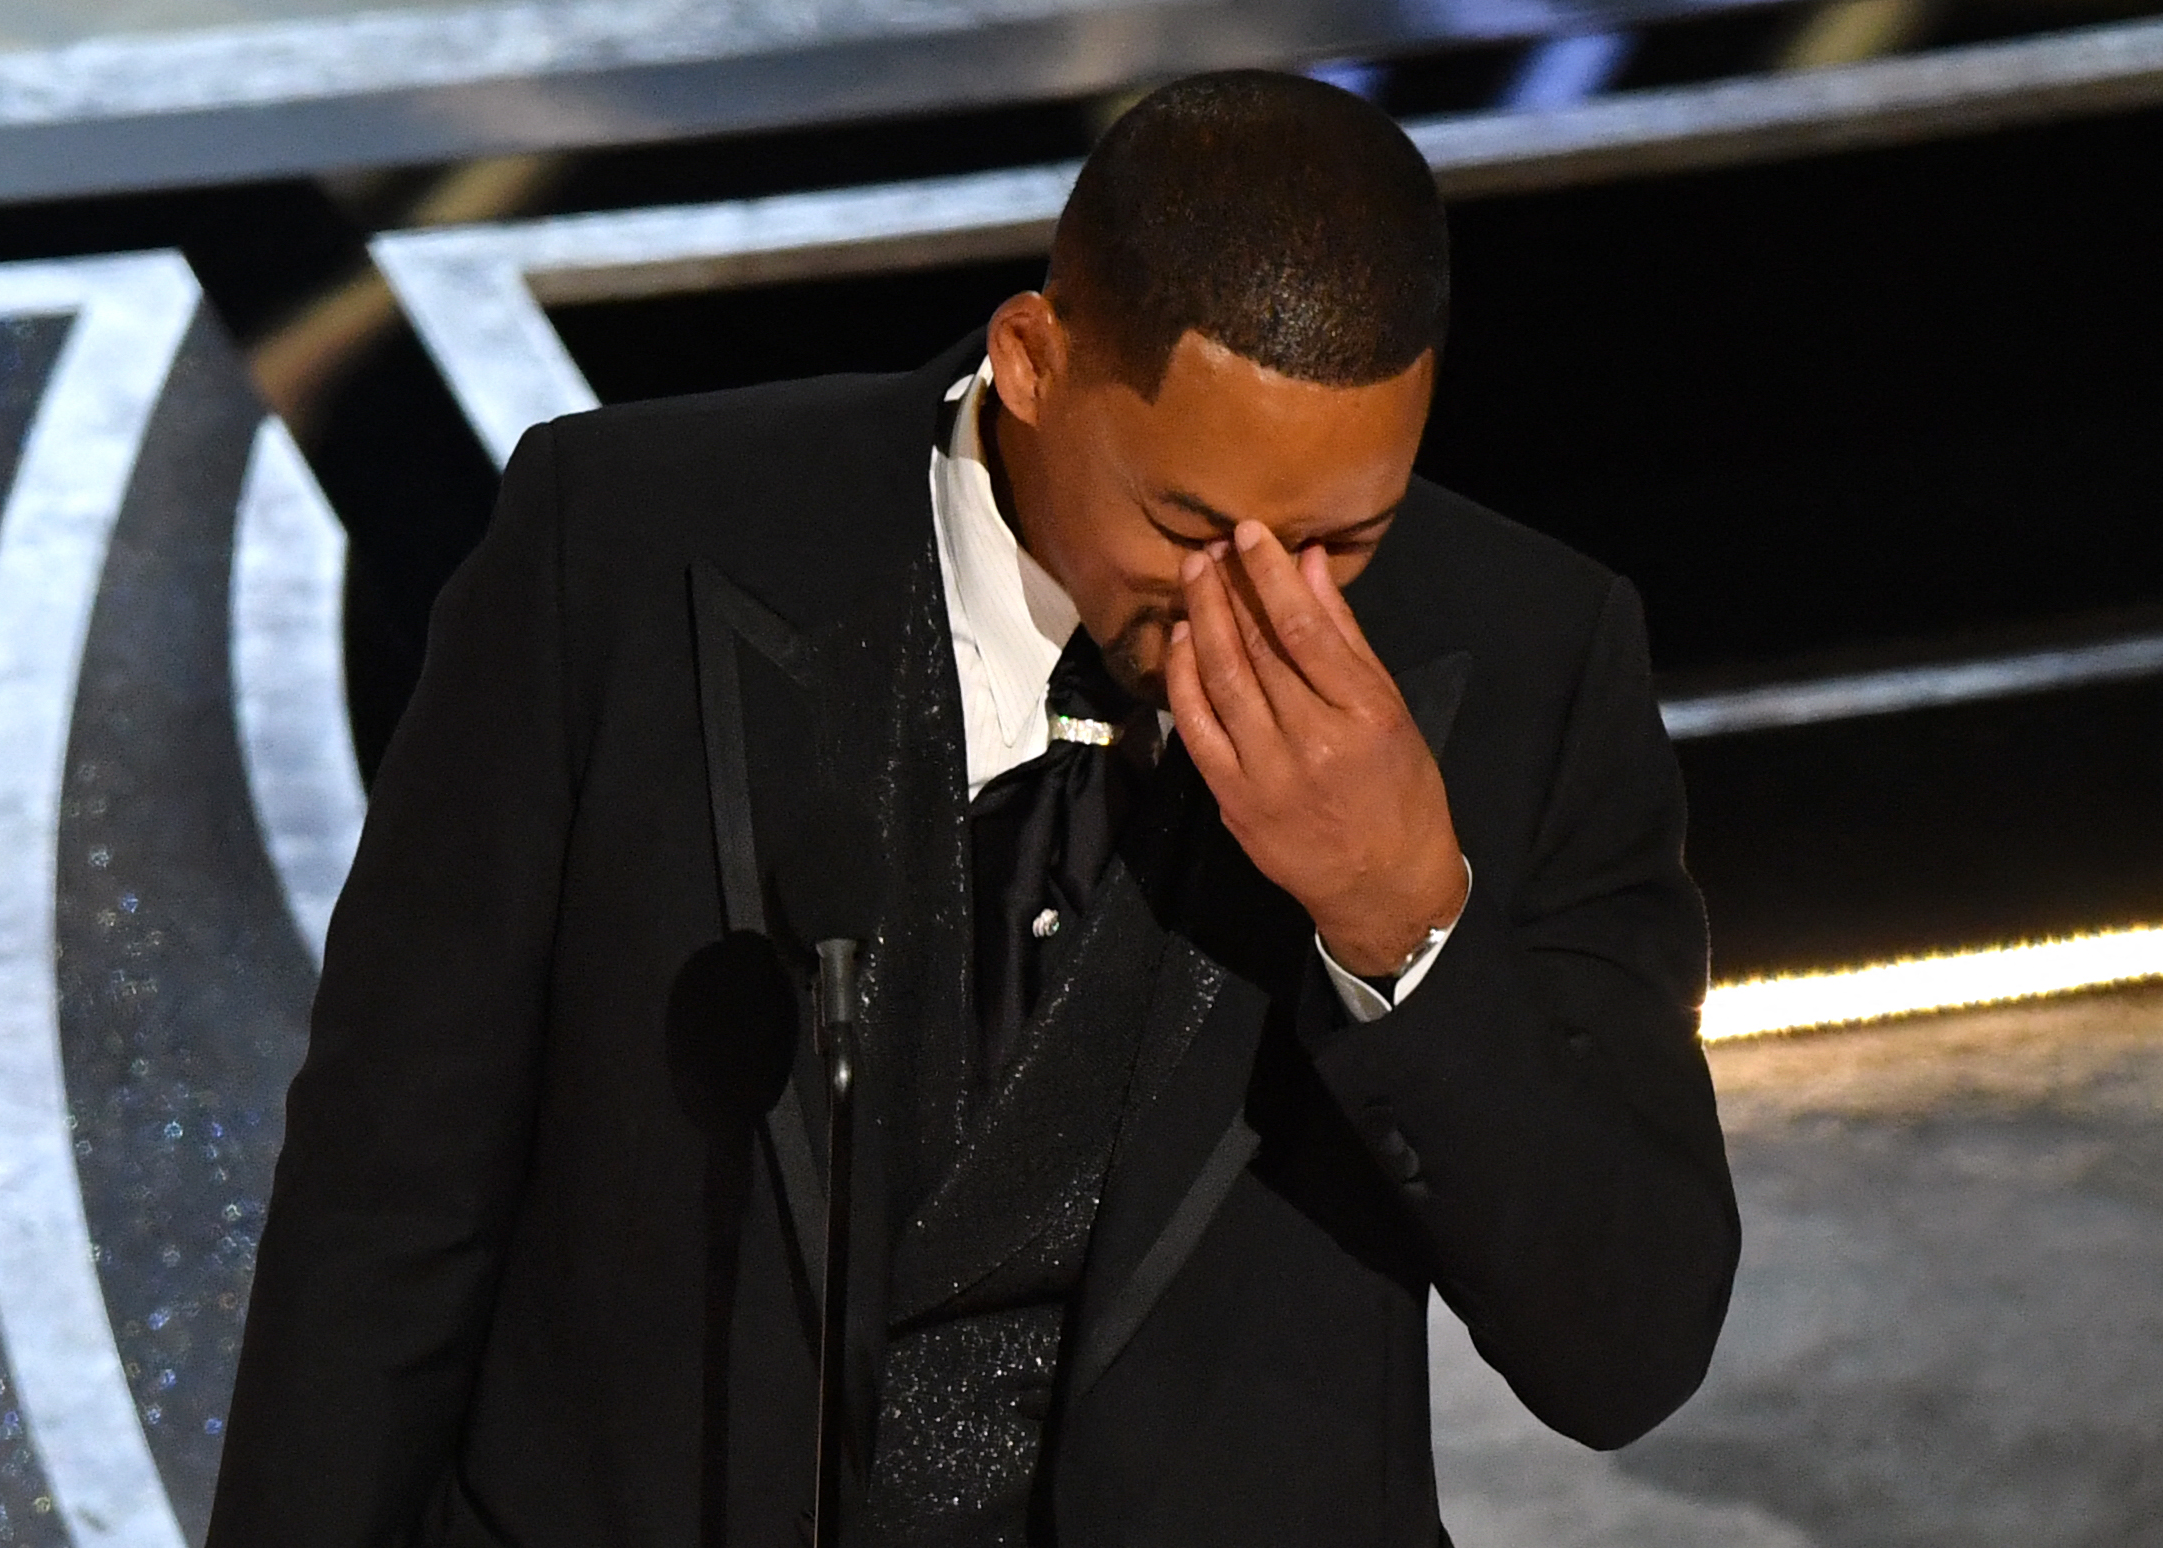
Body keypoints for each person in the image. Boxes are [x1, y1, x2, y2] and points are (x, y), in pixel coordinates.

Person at [208, 69, 1738, 1548]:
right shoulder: (620, 542)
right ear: (1031, 359)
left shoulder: (1528, 655)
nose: (1263, 603)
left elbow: (1626, 1348)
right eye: (1186, 525)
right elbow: (385, 1200)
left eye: (1346, 540)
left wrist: (1402, 918)